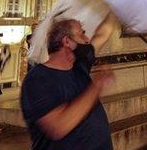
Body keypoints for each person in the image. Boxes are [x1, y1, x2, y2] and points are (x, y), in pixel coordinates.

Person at [21, 13, 118, 150]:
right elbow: (57, 126)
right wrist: (97, 86)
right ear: (67, 41)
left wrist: (115, 6)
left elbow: (103, 33)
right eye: (82, 34)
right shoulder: (37, 79)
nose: (87, 39)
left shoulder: (80, 66)